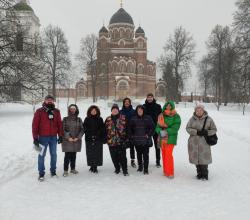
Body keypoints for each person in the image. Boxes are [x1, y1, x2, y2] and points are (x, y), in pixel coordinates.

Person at [32, 95, 63, 181]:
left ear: (53, 101)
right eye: (48, 100)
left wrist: (60, 135)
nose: (49, 101)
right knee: (41, 155)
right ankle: (41, 173)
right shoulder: (39, 111)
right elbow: (35, 125)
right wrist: (35, 138)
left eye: (51, 100)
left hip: (53, 137)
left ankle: (53, 171)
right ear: (45, 101)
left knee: (54, 155)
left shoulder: (57, 111)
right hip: (42, 137)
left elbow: (59, 124)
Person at [186, 104, 217, 180]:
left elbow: (214, 129)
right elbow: (187, 128)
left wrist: (206, 132)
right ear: (195, 111)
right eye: (197, 110)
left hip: (204, 142)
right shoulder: (192, 119)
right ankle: (199, 173)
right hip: (194, 142)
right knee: (196, 159)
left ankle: (205, 174)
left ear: (203, 111)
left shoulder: (209, 119)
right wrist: (196, 132)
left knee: (204, 159)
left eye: (200, 110)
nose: (199, 112)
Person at [155, 101, 181, 179]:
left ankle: (170, 172)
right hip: (162, 138)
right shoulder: (161, 115)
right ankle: (165, 171)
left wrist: (165, 131)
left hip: (171, 138)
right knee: (163, 154)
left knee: (168, 155)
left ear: (172, 106)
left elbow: (175, 128)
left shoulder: (176, 116)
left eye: (170, 106)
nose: (168, 107)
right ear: (165, 106)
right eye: (167, 105)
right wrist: (160, 131)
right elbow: (157, 127)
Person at [129, 105, 155, 175]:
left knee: (146, 155)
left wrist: (148, 135)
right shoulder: (133, 118)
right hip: (137, 140)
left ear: (143, 111)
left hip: (145, 140)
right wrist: (132, 136)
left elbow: (152, 128)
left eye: (141, 110)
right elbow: (130, 129)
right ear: (136, 111)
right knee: (139, 154)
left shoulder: (148, 118)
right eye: (138, 110)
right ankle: (140, 167)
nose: (140, 111)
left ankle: (146, 169)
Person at [105, 104, 129, 176]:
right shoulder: (108, 119)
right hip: (111, 141)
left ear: (118, 110)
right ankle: (117, 168)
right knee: (114, 157)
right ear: (111, 110)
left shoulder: (124, 118)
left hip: (121, 141)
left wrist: (127, 139)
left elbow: (127, 129)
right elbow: (104, 130)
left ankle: (125, 170)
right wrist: (106, 139)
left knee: (123, 157)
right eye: (113, 109)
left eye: (116, 109)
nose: (115, 110)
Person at [62, 104, 84, 177]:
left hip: (76, 140)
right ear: (69, 110)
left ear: (76, 110)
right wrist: (68, 137)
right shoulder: (65, 119)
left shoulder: (79, 119)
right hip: (67, 141)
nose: (72, 110)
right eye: (71, 109)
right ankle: (65, 170)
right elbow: (63, 129)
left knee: (74, 155)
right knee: (67, 156)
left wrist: (78, 137)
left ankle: (73, 168)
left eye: (74, 109)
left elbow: (82, 129)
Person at [83, 105, 105, 174]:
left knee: (97, 153)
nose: (93, 111)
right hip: (89, 139)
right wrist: (90, 134)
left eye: (95, 110)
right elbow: (85, 128)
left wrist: (97, 134)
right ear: (90, 111)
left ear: (97, 111)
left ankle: (95, 167)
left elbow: (102, 129)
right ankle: (91, 165)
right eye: (92, 110)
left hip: (98, 139)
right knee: (90, 153)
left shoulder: (100, 119)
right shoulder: (87, 119)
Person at [143, 93, 162, 167]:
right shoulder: (144, 106)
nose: (149, 98)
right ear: (147, 98)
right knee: (146, 145)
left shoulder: (158, 106)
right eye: (148, 97)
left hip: (156, 129)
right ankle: (145, 160)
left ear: (153, 98)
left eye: (151, 97)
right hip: (147, 129)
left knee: (157, 146)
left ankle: (158, 161)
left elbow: (161, 117)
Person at [120, 97, 136, 168]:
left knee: (132, 146)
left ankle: (132, 160)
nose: (127, 103)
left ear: (130, 103)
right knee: (123, 147)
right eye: (125, 101)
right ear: (123, 103)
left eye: (128, 102)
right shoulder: (120, 112)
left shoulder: (133, 111)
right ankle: (122, 160)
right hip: (123, 131)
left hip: (132, 131)